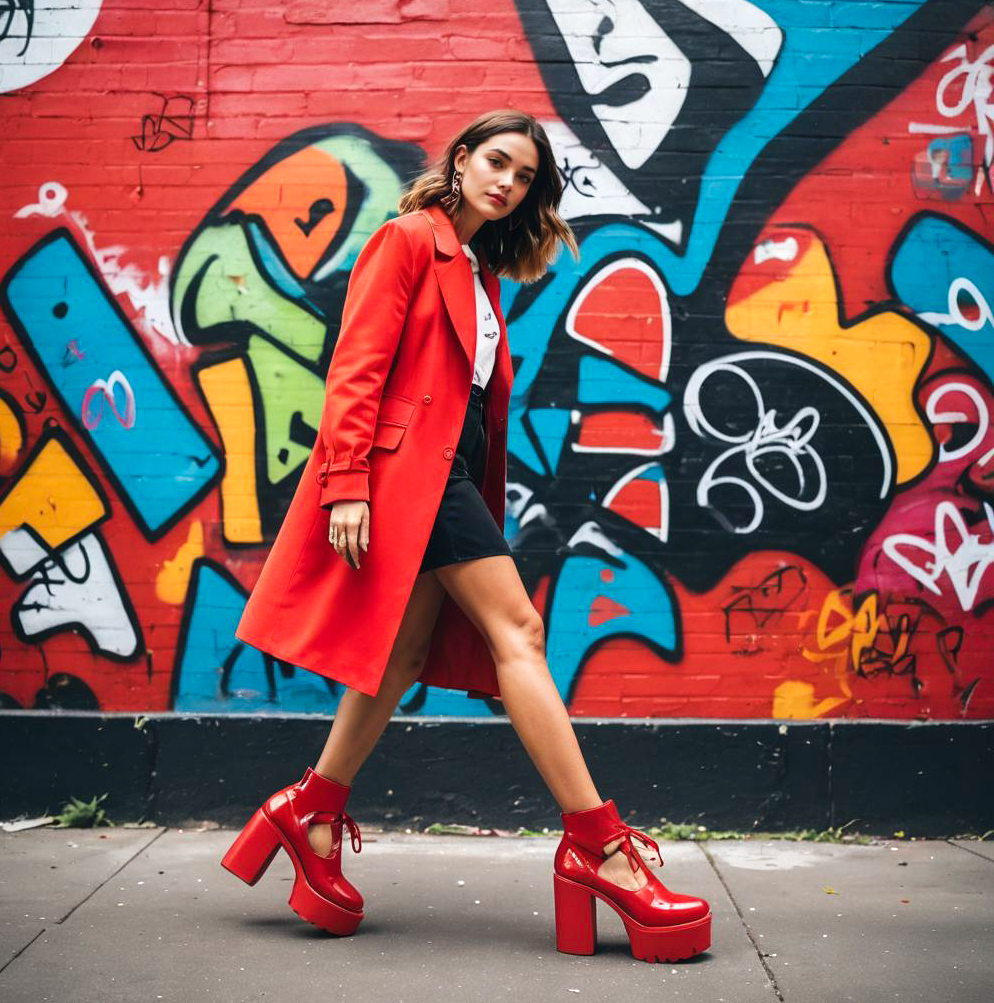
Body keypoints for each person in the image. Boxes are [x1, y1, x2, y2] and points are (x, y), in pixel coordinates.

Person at [220, 109, 712, 963]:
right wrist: (346, 485)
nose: (507, 183)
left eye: (523, 177)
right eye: (496, 162)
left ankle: (312, 812)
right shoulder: (410, 239)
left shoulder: (481, 271)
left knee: (405, 657)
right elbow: (357, 364)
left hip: (444, 478)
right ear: (461, 160)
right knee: (517, 630)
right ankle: (603, 850)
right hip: (410, 475)